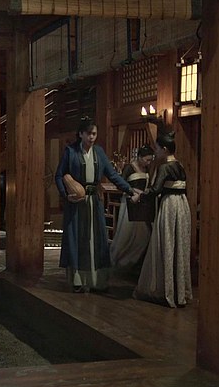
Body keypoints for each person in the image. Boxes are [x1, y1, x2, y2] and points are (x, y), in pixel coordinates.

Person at [55, 119, 138, 293]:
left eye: (94, 134)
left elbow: (112, 175)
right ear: (81, 134)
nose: (92, 137)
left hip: (94, 202)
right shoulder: (71, 151)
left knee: (95, 239)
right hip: (77, 203)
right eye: (88, 133)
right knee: (78, 239)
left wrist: (130, 190)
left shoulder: (99, 152)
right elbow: (59, 175)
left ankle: (96, 281)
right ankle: (77, 280)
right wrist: (65, 195)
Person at [132, 132, 192, 308]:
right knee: (179, 246)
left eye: (157, 149)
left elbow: (155, 190)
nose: (155, 152)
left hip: (169, 206)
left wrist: (140, 196)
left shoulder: (164, 167)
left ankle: (166, 290)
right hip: (182, 205)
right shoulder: (180, 165)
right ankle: (179, 290)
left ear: (165, 149)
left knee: (167, 244)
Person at [110, 145, 156, 278]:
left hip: (142, 203)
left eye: (150, 160)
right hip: (130, 202)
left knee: (144, 235)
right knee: (127, 234)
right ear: (140, 157)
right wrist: (134, 191)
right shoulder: (129, 168)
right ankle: (120, 261)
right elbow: (121, 185)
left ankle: (135, 262)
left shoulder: (146, 169)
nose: (148, 163)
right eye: (146, 160)